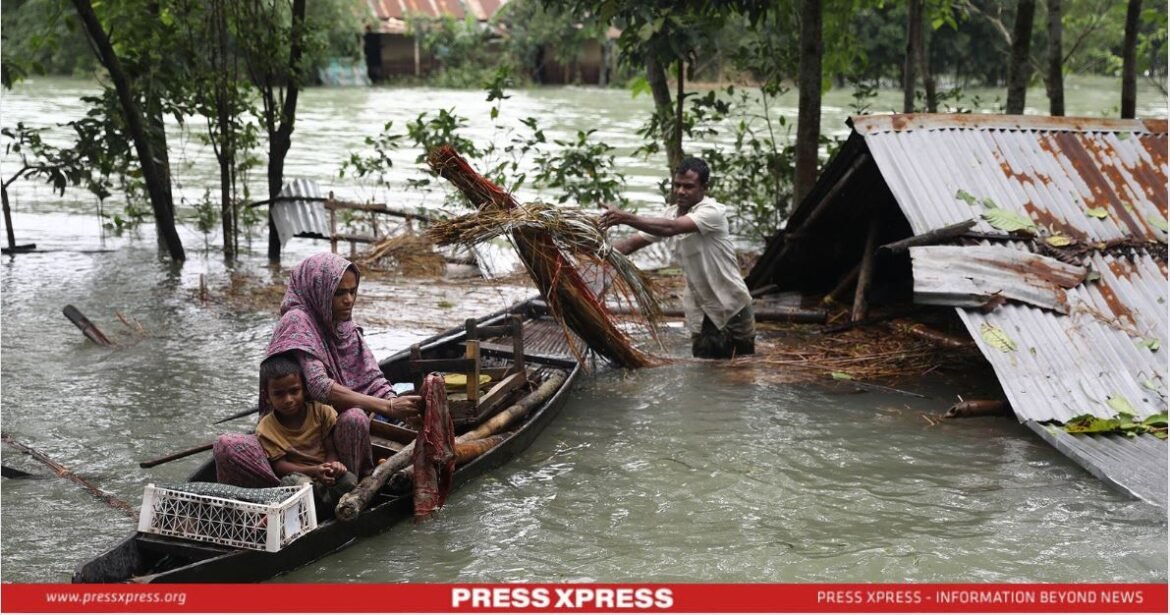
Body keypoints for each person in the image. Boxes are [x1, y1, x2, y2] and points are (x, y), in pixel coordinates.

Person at [214, 252, 423, 487]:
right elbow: (319, 386)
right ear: (319, 291)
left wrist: (396, 403)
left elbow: (372, 378)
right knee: (227, 445)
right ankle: (286, 490)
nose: (348, 300)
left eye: (352, 292)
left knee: (355, 418)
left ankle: (345, 486)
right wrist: (388, 406)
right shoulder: (297, 320)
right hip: (288, 435)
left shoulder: (343, 326)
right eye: (339, 293)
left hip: (333, 437)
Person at [600, 157, 755, 359]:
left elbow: (671, 228)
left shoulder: (712, 212)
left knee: (742, 369)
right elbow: (630, 244)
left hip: (731, 304)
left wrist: (625, 218)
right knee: (706, 370)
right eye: (678, 185)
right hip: (700, 308)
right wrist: (594, 251)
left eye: (689, 186)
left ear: (704, 188)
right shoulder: (670, 214)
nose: (681, 191)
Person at [254, 352, 360, 507]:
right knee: (297, 483)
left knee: (349, 480)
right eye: (279, 394)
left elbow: (331, 449)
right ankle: (314, 508)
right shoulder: (266, 428)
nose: (288, 400)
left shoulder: (321, 411)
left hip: (324, 473)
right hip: (300, 478)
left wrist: (331, 467)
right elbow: (280, 466)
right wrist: (314, 470)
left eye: (294, 391)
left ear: (305, 390)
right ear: (267, 397)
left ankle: (325, 507)